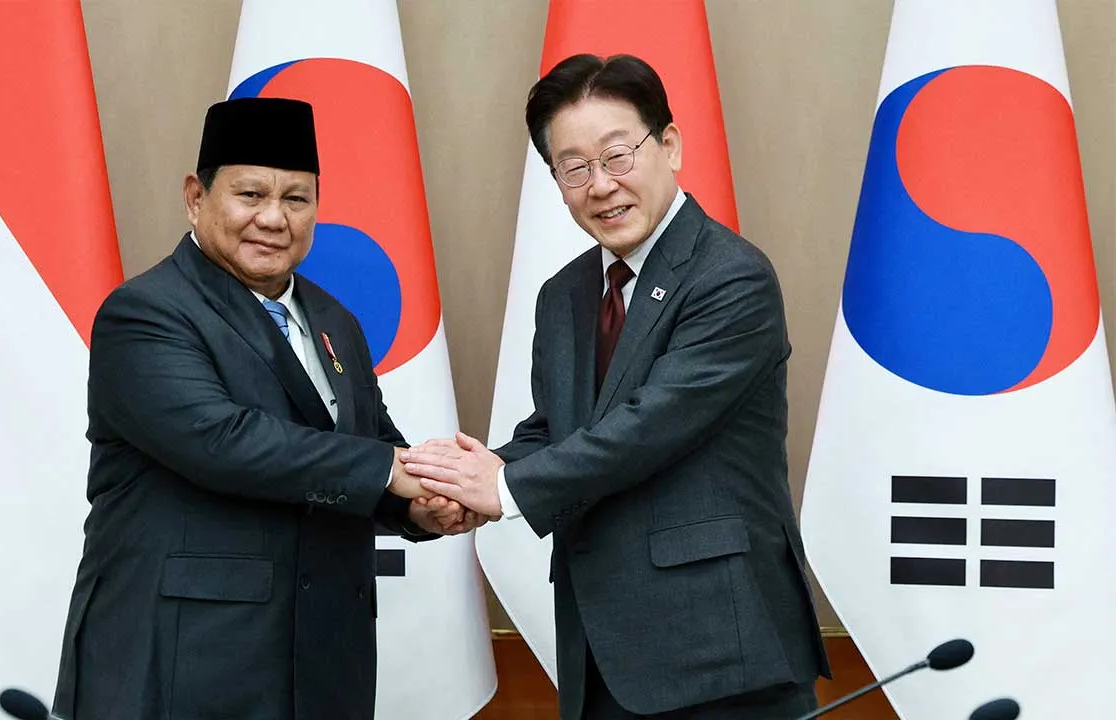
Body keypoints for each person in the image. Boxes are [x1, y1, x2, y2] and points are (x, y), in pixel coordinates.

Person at [404, 54, 831, 719]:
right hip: (601, 650)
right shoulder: (565, 293)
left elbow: (648, 425)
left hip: (721, 655)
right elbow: (557, 430)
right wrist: (462, 481)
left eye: (617, 156)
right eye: (574, 168)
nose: (600, 185)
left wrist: (505, 489)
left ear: (670, 146)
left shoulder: (730, 277)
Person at [52, 97, 477, 720]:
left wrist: (421, 504)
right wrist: (392, 471)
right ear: (196, 197)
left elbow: (371, 444)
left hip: (323, 664)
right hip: (185, 660)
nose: (274, 219)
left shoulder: (335, 321)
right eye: (251, 195)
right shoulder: (146, 313)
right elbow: (223, 441)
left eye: (296, 199)